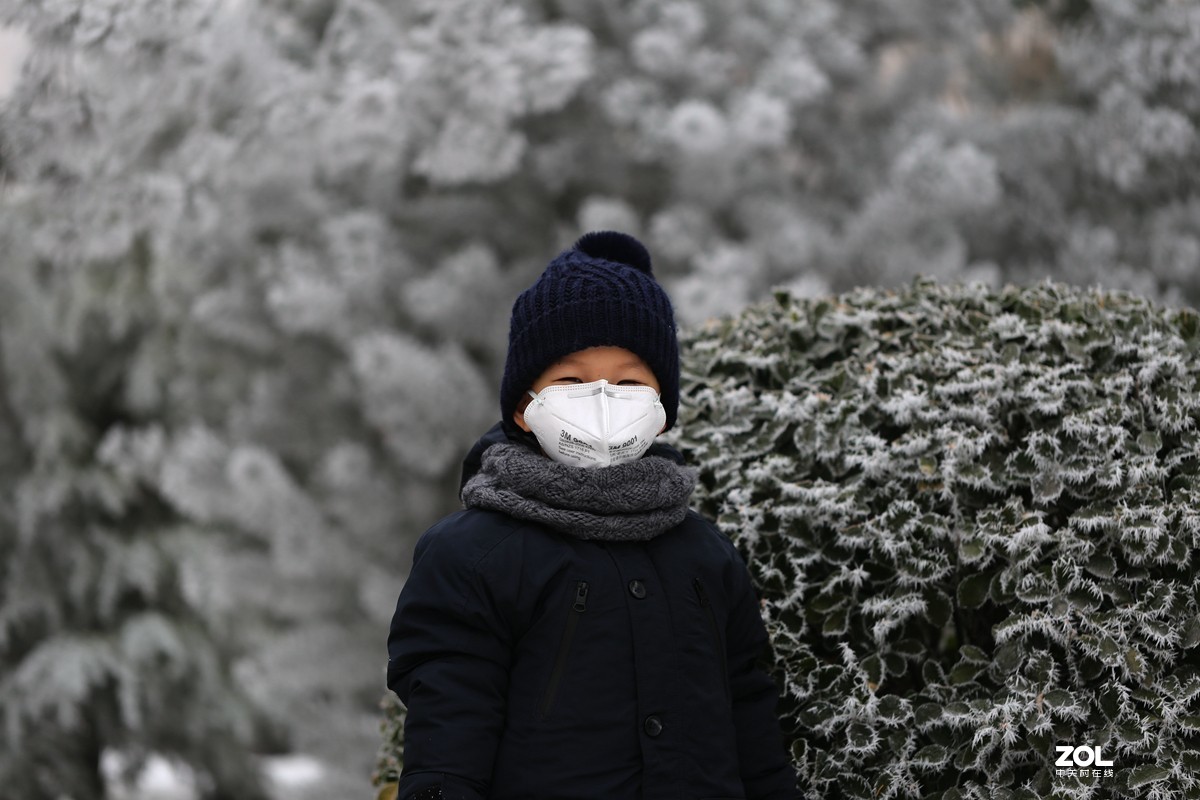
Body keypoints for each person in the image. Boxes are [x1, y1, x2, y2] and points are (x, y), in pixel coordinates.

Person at [386, 231, 799, 800]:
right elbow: (450, 734)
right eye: (571, 380)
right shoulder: (473, 554)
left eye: (629, 380)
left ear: (661, 409)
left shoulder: (703, 551)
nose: (603, 399)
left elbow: (749, 721)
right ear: (525, 409)